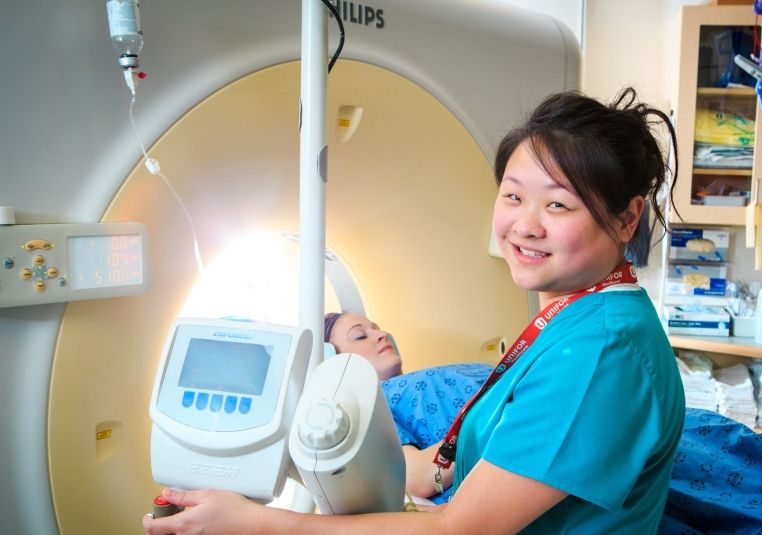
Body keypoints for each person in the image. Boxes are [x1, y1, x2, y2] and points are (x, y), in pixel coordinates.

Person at [143, 87, 685, 534]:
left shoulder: (602, 351)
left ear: (626, 219)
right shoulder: (579, 318)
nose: (525, 225)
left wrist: (258, 524)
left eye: (558, 204)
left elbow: (460, 530)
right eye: (513, 196)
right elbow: (451, 472)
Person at [323, 311, 490, 503]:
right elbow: (419, 477)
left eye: (376, 328)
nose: (382, 334)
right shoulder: (367, 407)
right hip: (508, 428)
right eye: (360, 335)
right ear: (334, 363)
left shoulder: (410, 384)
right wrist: (499, 418)